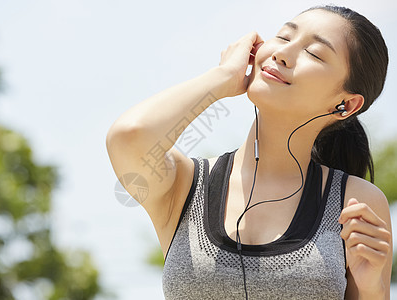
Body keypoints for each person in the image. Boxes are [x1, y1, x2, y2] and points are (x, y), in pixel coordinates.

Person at [106, 5, 392, 299]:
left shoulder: (355, 203)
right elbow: (130, 135)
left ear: (346, 104)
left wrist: (372, 287)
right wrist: (221, 78)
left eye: (315, 53)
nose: (283, 53)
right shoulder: (185, 184)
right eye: (283, 37)